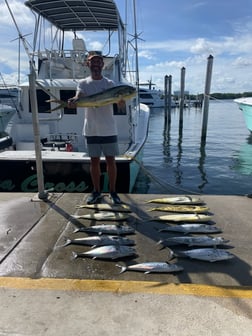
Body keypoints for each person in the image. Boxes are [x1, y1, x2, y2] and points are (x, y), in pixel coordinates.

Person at [68, 51, 123, 205]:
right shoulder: (83, 83)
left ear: (102, 65)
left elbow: (119, 105)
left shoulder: (110, 84)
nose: (96, 64)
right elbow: (79, 95)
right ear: (88, 64)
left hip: (109, 129)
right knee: (94, 162)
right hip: (91, 129)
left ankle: (113, 192)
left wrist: (121, 103)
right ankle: (96, 191)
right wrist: (74, 100)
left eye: (99, 61)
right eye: (93, 61)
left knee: (111, 161)